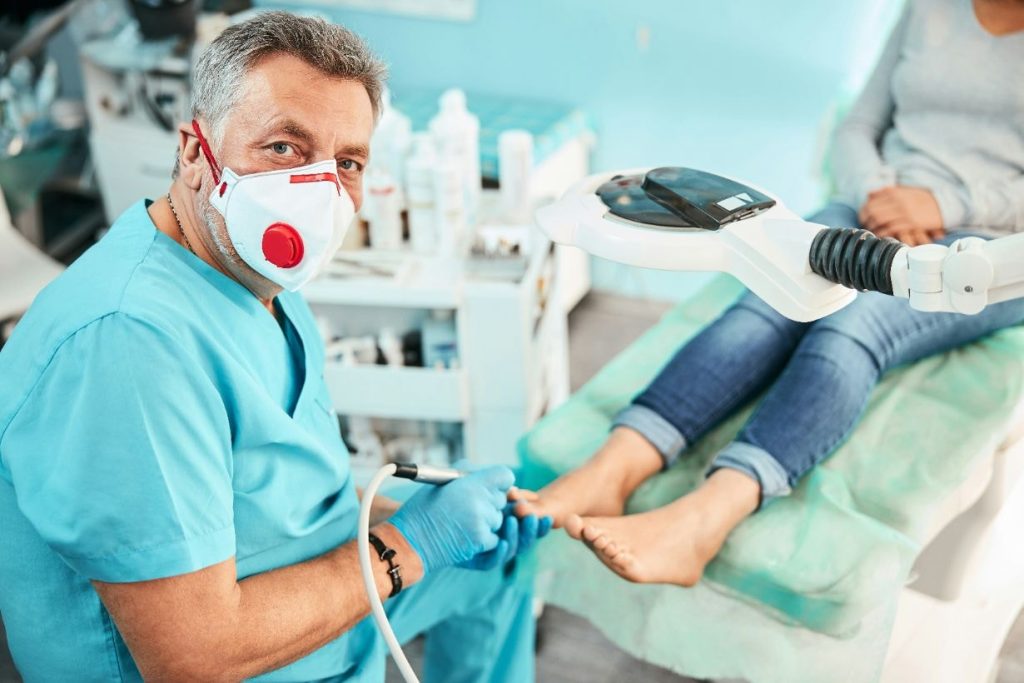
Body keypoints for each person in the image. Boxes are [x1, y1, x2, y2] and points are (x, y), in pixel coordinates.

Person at [0, 13, 548, 682]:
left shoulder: (254, 275)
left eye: (345, 163)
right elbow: (192, 656)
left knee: (499, 560)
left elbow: (278, 495)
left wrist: (431, 519)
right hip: (234, 649)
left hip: (306, 592)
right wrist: (416, 540)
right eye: (284, 147)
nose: (316, 195)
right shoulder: (129, 344)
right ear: (196, 154)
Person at [514, 0, 1024, 587]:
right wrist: (881, 194)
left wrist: (943, 206)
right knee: (767, 297)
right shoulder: (929, 9)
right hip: (876, 206)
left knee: (851, 326)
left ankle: (701, 524)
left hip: (989, 253)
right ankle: (613, 468)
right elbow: (859, 126)